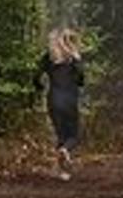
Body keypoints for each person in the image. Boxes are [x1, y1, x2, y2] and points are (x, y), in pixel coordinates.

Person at [36, 28, 86, 179]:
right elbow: (81, 81)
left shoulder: (48, 57)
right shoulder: (72, 59)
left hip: (53, 99)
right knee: (74, 136)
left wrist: (40, 87)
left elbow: (35, 77)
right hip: (69, 100)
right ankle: (65, 152)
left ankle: (61, 171)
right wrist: (77, 61)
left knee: (61, 135)